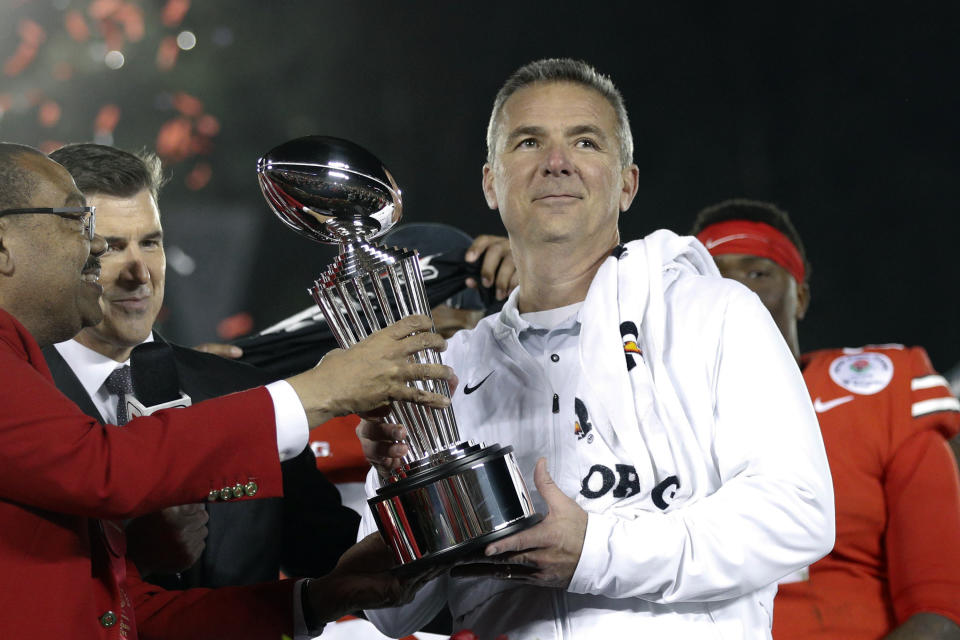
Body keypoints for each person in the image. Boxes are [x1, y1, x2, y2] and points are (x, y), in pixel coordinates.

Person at [357, 58, 834, 639]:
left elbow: (799, 516)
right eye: (528, 142)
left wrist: (598, 551)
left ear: (627, 182)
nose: (556, 163)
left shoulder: (716, 314)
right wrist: (402, 481)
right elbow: (390, 613)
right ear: (491, 182)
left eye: (585, 142)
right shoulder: (450, 370)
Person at [0, 141, 453, 638]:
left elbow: (132, 617)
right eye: (78, 226)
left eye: (149, 242)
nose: (96, 254)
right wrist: (323, 391)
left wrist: (318, 598)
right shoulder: (28, 385)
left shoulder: (232, 389)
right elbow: (104, 467)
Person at [42, 142, 360, 589]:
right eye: (110, 247)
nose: (140, 272)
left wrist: (394, 474)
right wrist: (135, 558)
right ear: (57, 257)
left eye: (150, 242)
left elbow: (335, 561)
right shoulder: (21, 397)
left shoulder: (243, 392)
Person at [691, 199, 960, 639]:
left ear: (801, 297)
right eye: (713, 277)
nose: (734, 291)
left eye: (758, 273)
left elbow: (940, 611)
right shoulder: (647, 418)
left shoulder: (879, 395)